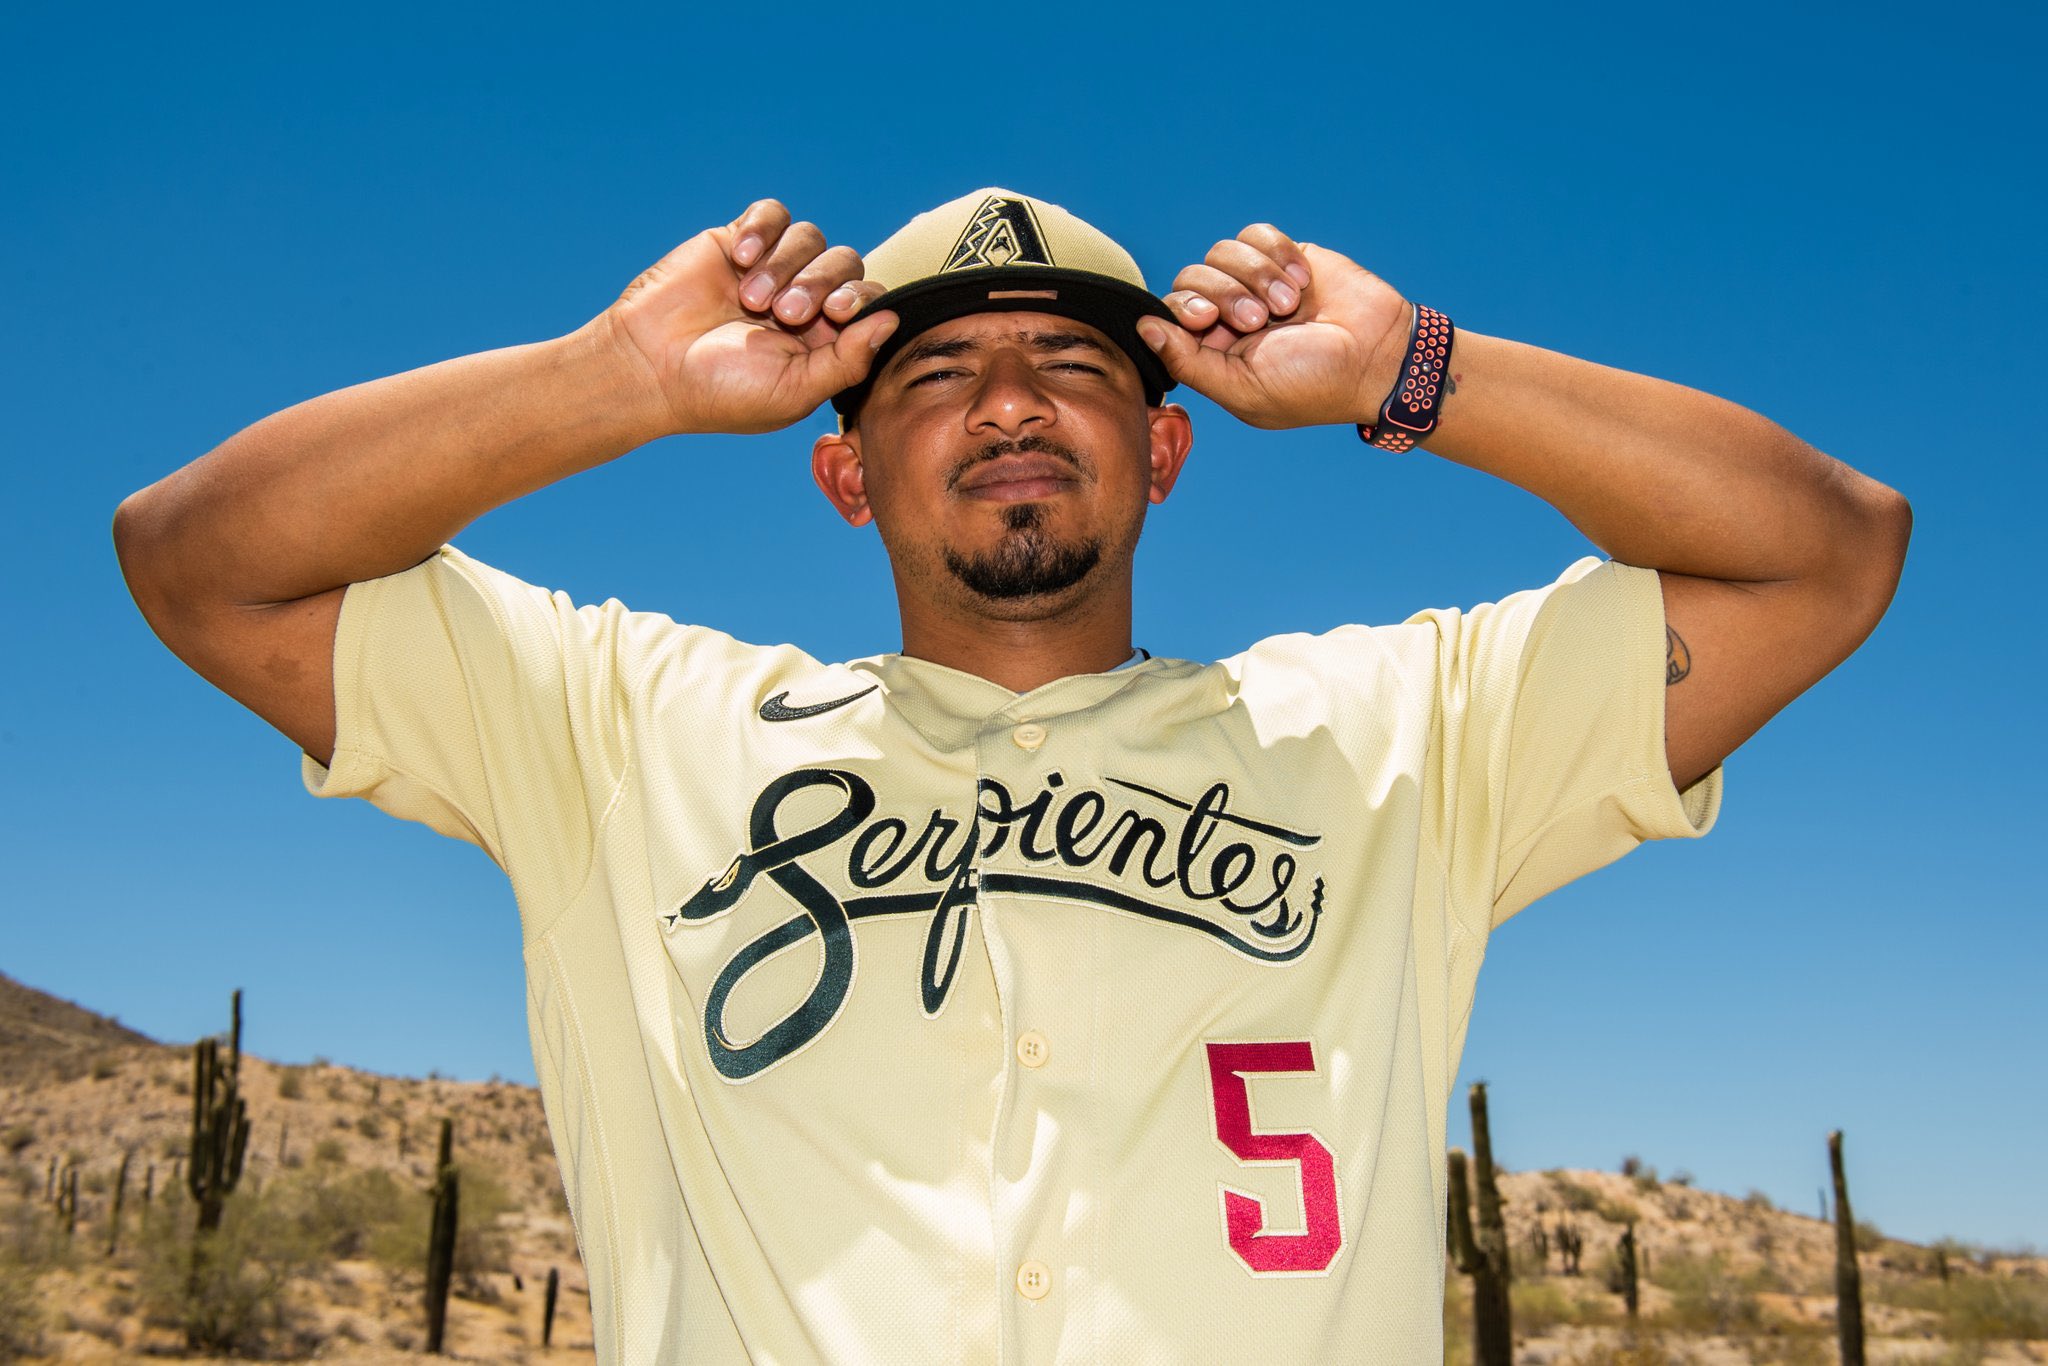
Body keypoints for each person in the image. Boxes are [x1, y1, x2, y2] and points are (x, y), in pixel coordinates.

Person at [114, 188, 1909, 1363]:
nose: (1013, 401)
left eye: (1071, 363)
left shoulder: (1397, 738)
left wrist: (1404, 368)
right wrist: (616, 381)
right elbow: (196, 559)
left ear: (1168, 451)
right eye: (938, 374)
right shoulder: (622, 725)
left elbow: (1826, 552)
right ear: (843, 475)